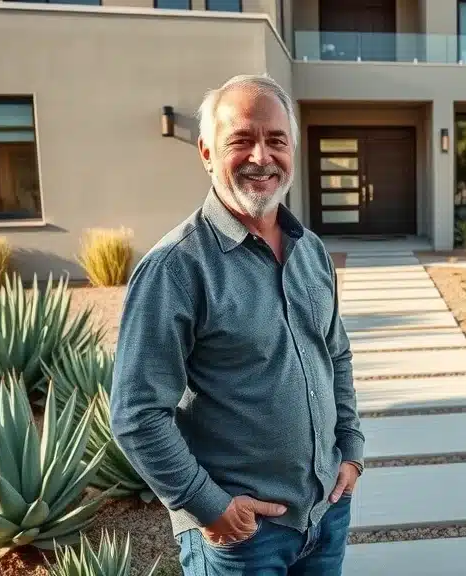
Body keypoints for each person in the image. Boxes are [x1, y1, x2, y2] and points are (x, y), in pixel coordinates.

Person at [110, 74, 364, 576]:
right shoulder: (176, 268)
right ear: (206, 152)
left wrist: (351, 451)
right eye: (241, 140)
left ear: (292, 150)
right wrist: (209, 506)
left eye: (276, 141)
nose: (261, 157)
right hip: (242, 540)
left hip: (326, 515)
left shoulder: (310, 250)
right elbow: (137, 414)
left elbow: (335, 355)